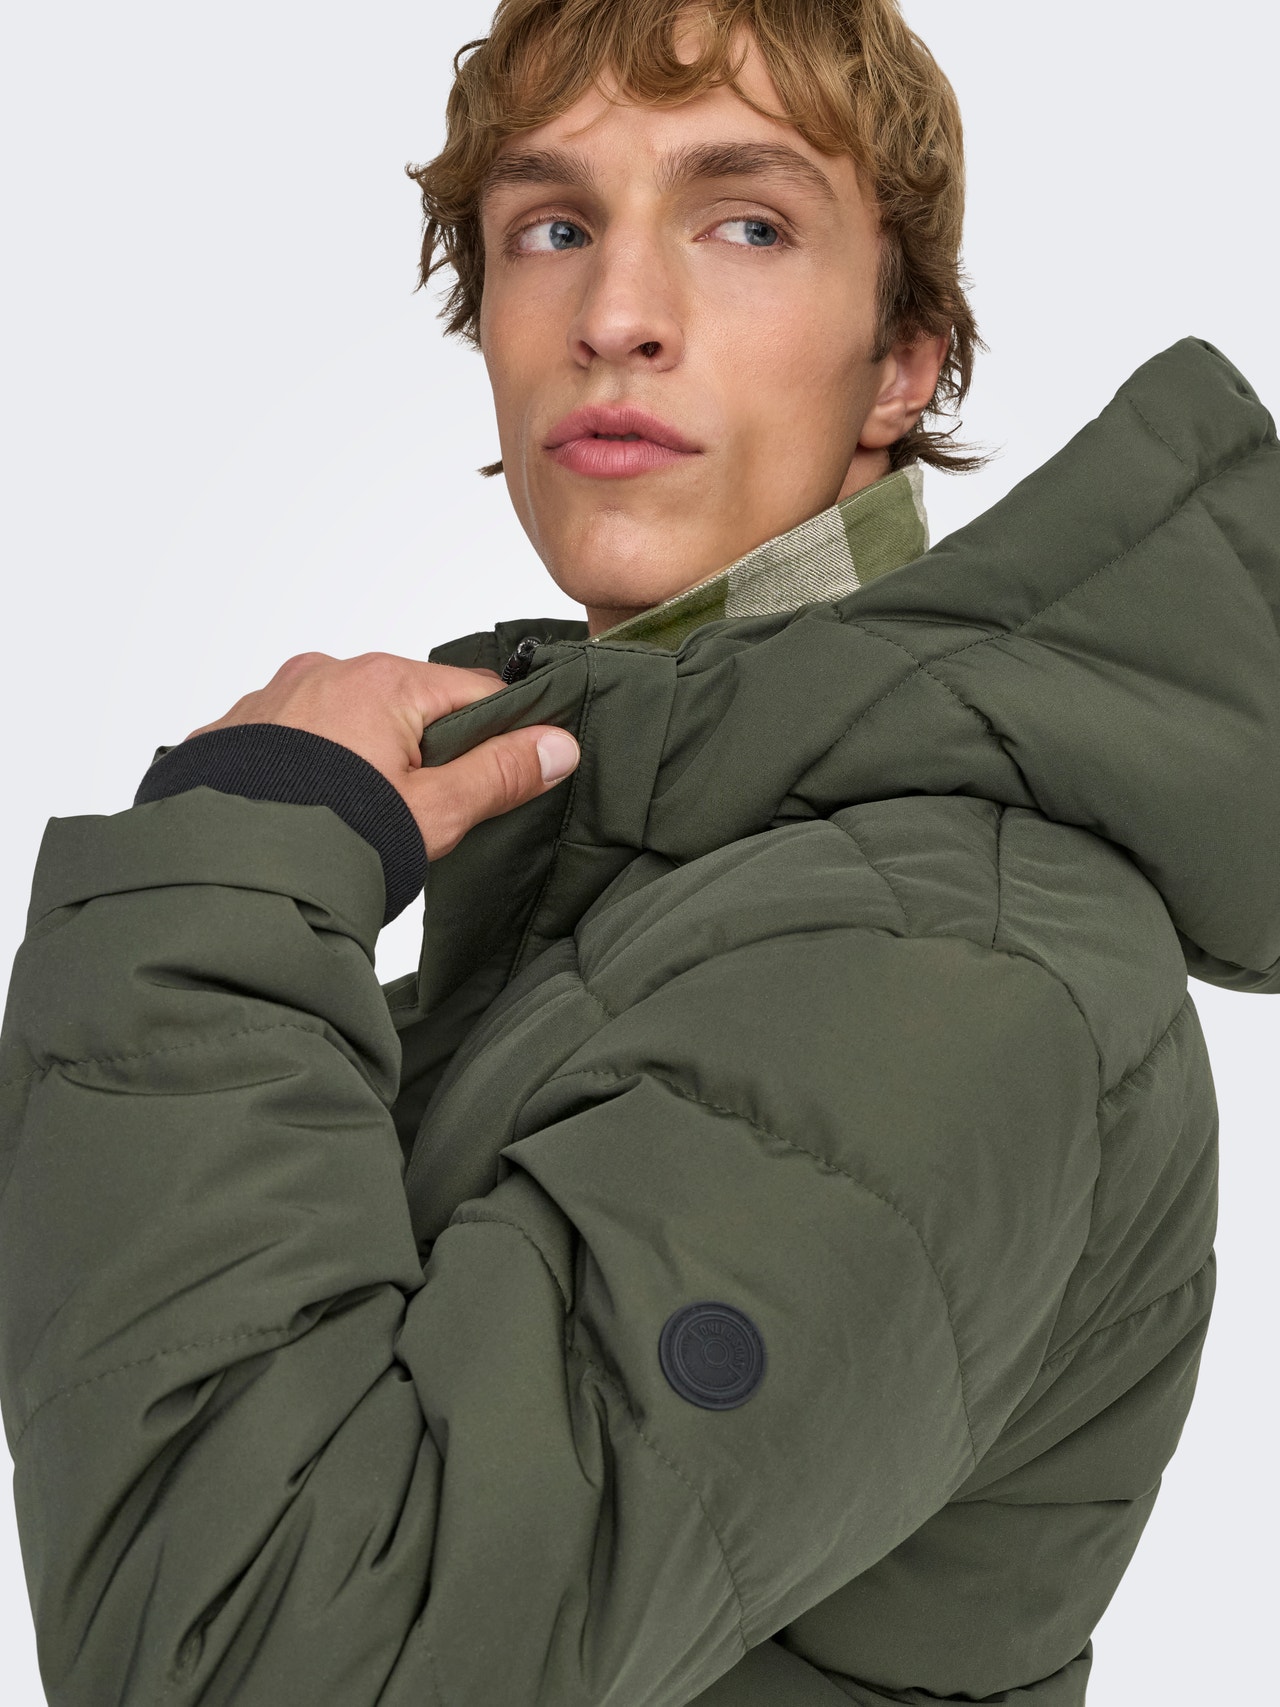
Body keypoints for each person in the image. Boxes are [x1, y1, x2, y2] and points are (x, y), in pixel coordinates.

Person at [0, 0, 1276, 1702]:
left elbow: (286, 1662)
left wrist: (229, 880)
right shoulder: (666, 869)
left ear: (904, 361)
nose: (615, 315)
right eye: (551, 228)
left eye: (744, 225)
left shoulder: (945, 964)